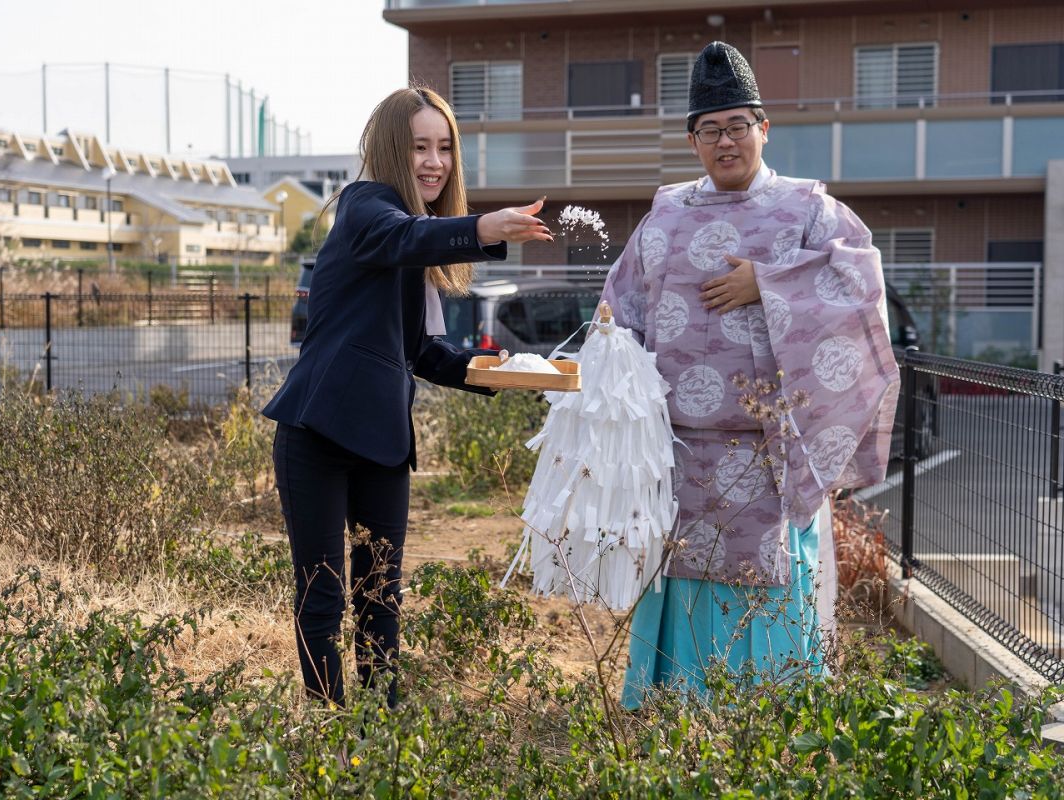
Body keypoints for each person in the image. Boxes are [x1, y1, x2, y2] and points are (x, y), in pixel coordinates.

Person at [600, 42, 899, 704]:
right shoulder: (667, 213)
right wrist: (605, 330)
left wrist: (769, 283)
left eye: (738, 125)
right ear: (692, 139)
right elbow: (622, 300)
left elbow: (859, 286)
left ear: (764, 128)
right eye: (711, 130)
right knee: (681, 576)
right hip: (677, 449)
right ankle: (676, 706)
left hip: (768, 453)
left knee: (769, 584)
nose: (726, 141)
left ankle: (769, 710)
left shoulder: (809, 211)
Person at [263, 86, 552, 707]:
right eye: (420, 146)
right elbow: (401, 238)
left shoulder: (413, 234)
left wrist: (504, 370)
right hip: (315, 435)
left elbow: (422, 350)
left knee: (382, 598)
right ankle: (325, 729)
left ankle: (384, 738)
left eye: (444, 148)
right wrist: (482, 228)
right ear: (393, 149)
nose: (435, 161)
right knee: (323, 595)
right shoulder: (368, 210)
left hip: (384, 442)